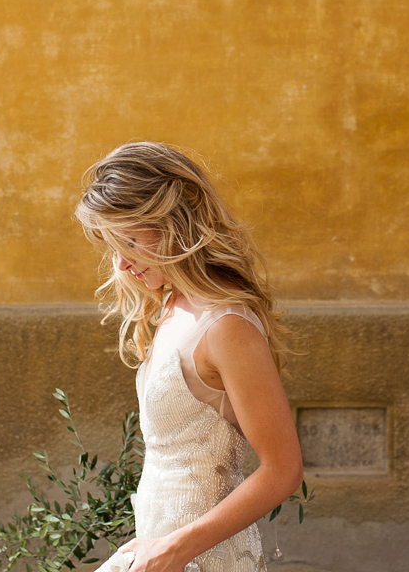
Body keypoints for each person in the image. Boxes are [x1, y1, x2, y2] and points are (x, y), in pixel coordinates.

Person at [75, 142, 304, 572]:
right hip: (158, 551)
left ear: (174, 223)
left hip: (201, 558)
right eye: (112, 244)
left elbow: (283, 470)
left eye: (129, 239)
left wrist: (176, 548)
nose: (122, 263)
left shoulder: (226, 325)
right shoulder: (171, 305)